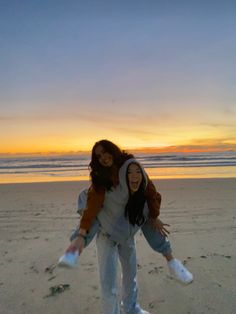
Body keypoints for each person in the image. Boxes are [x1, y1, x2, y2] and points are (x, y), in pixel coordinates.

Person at [68, 140, 193, 284]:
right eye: (98, 156)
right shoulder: (101, 178)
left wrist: (154, 216)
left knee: (145, 216)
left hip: (130, 211)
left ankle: (172, 261)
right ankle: (76, 246)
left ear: (112, 150)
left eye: (105, 152)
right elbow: (92, 206)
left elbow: (151, 191)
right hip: (109, 213)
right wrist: (82, 233)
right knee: (89, 204)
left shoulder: (129, 165)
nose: (103, 157)